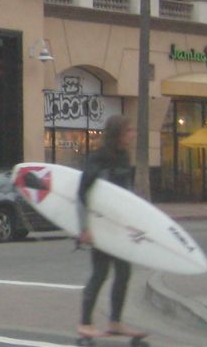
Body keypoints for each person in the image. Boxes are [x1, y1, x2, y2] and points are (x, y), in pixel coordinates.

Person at [76, 115, 145, 341]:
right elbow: (82, 192)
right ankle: (85, 323)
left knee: (124, 272)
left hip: (118, 225)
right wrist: (84, 228)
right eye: (129, 131)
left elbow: (123, 194)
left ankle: (115, 322)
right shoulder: (99, 158)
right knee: (100, 272)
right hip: (100, 224)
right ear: (117, 133)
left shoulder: (124, 157)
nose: (132, 134)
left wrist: (133, 221)